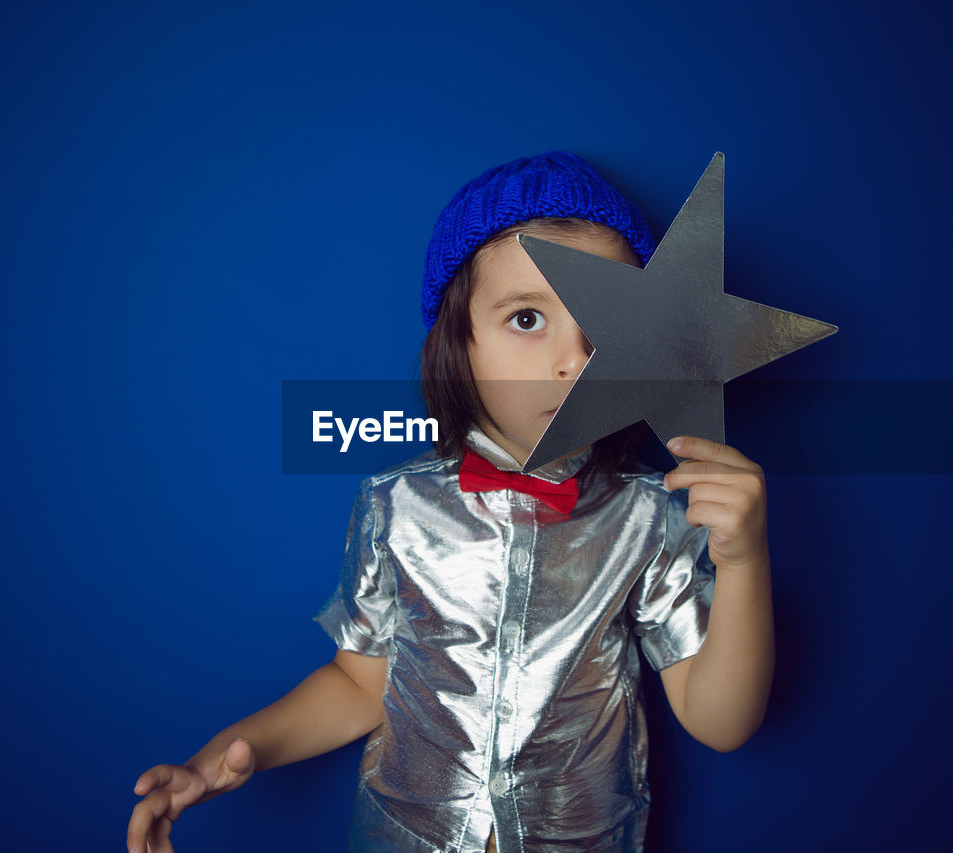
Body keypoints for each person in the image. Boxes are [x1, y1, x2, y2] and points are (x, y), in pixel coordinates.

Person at [127, 151, 775, 853]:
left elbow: (721, 721)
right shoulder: (394, 503)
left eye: (606, 325)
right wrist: (229, 752)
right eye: (528, 318)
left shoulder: (654, 516)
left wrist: (743, 560)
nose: (572, 359)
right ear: (458, 340)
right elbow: (357, 682)